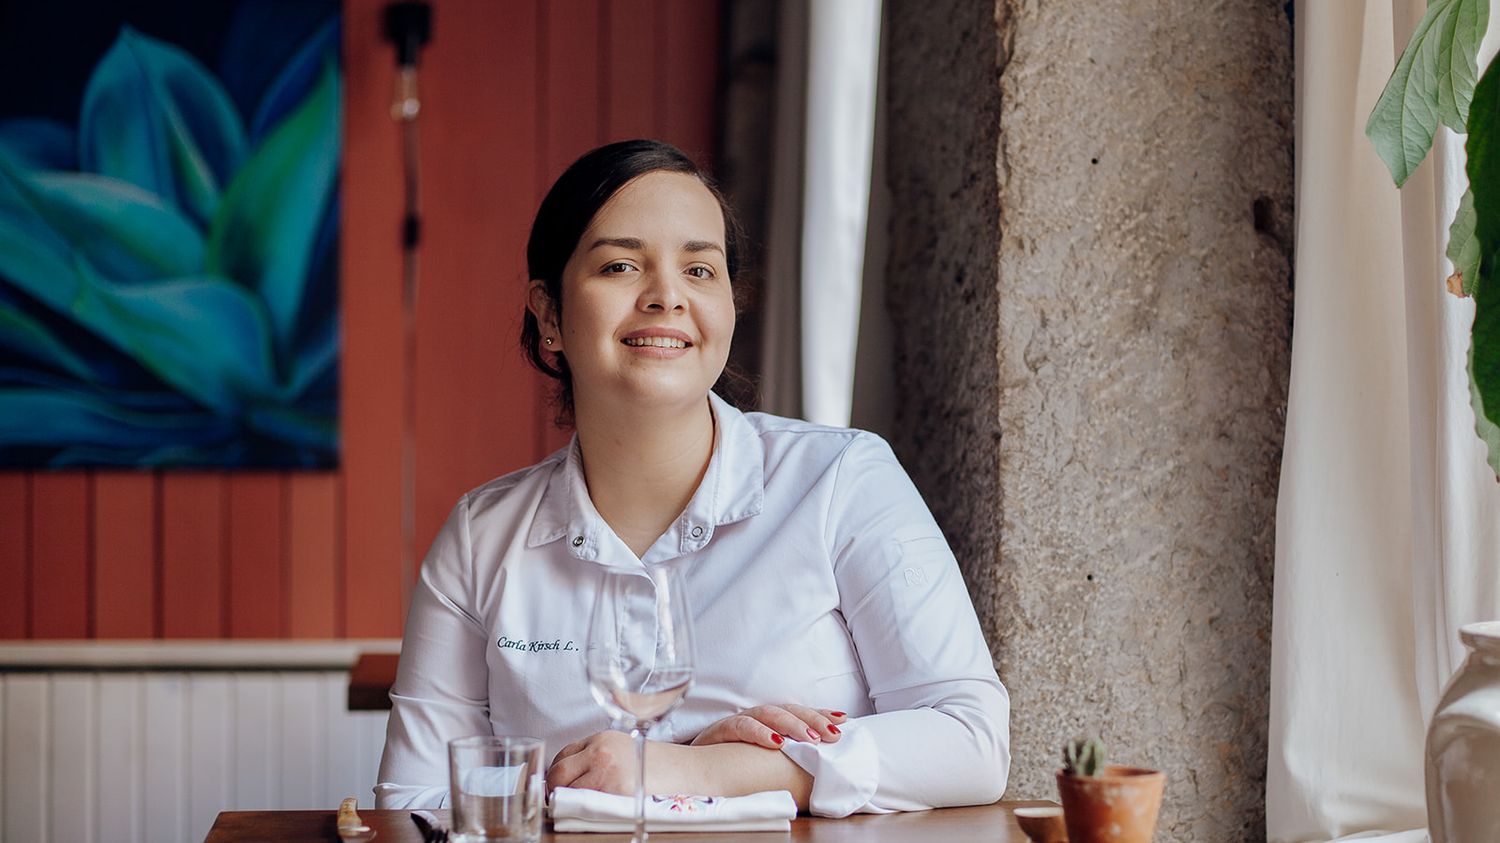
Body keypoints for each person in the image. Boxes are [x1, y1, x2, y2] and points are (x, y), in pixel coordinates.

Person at [374, 139, 1010, 816]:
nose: (666, 296)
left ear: (731, 306)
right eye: (620, 265)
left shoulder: (841, 480)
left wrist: (704, 765)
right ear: (550, 314)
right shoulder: (483, 536)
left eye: (700, 270)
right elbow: (411, 802)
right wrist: (608, 776)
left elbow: (971, 738)